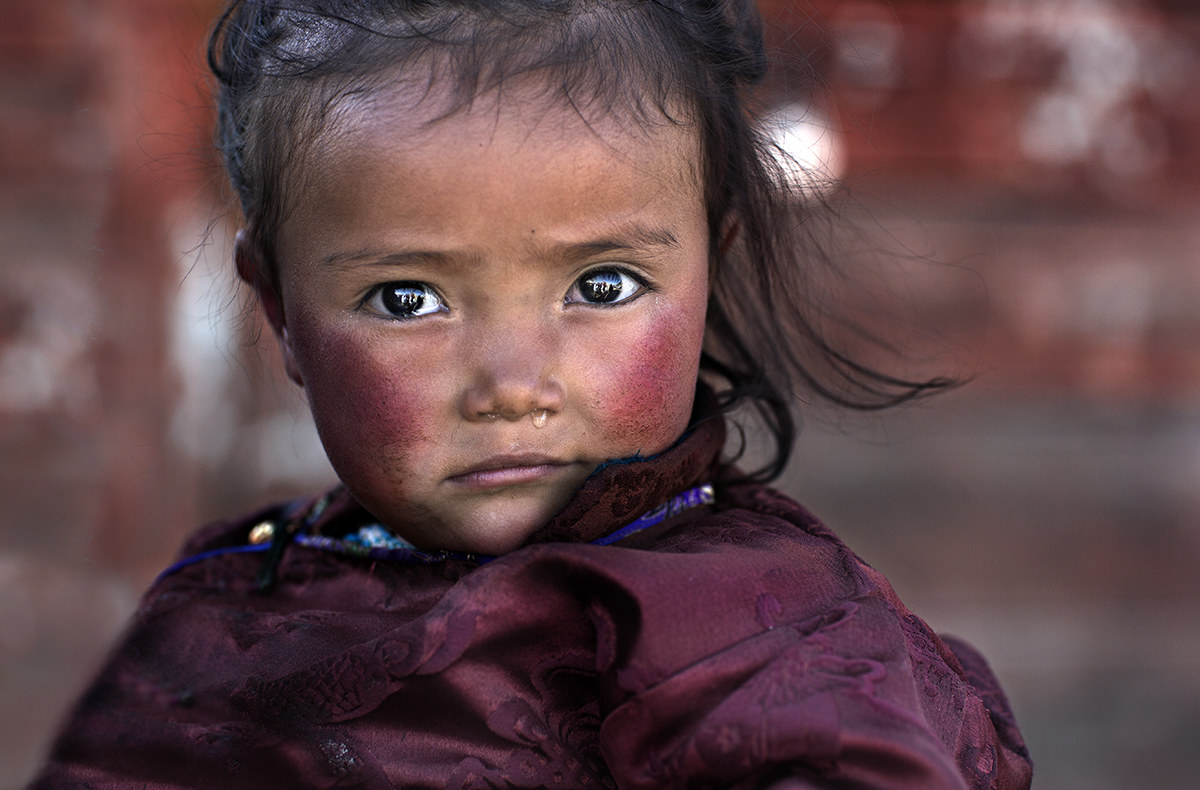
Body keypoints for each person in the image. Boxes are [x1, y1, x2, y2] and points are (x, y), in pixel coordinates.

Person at [31, 1, 1032, 787]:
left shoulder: (763, 630)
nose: (512, 387)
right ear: (281, 312)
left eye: (602, 286)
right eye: (408, 298)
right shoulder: (235, 591)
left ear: (709, 268)